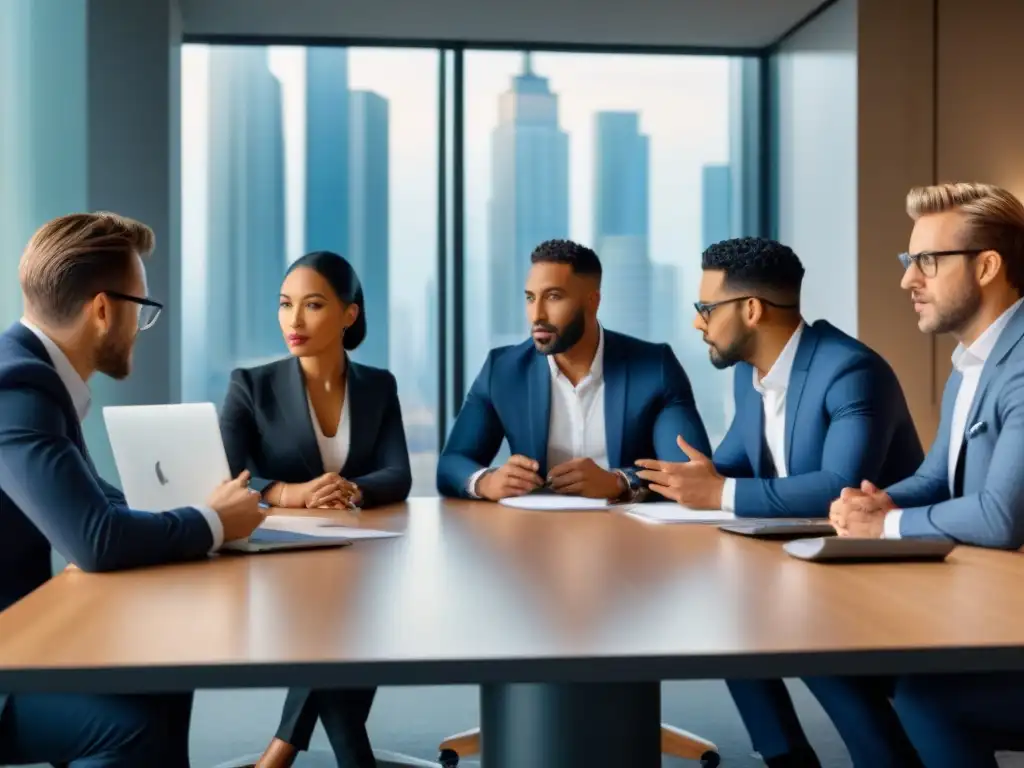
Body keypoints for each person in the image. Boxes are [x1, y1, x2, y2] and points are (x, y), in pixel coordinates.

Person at [634, 236, 924, 767]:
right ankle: (785, 756)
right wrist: (631, 483)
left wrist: (718, 492)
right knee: (729, 607)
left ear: (751, 309)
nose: (699, 323)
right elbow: (727, 466)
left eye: (705, 309)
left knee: (800, 631)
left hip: (879, 570)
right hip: (810, 560)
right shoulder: (753, 377)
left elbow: (839, 483)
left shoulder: (850, 371)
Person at [0, 212, 264, 767]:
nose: (142, 325)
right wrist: (212, 522)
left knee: (161, 674)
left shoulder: (29, 372)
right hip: (8, 665)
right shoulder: (18, 388)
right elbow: (95, 539)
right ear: (102, 309)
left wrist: (202, 508)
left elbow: (97, 501)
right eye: (141, 308)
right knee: (134, 724)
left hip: (22, 637)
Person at [831, 182, 1024, 767]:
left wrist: (885, 527)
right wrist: (876, 503)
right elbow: (939, 477)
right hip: (993, 605)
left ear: (987, 265)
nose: (908, 279)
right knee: (839, 658)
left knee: (928, 699)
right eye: (908, 260)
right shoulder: (973, 362)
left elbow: (999, 516)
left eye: (927, 262)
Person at [219, 250, 411, 768]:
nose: (294, 321)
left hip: (359, 552)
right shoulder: (251, 386)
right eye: (285, 305)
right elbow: (227, 475)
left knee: (348, 616)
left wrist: (351, 489)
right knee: (335, 626)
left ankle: (280, 752)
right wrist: (289, 492)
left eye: (313, 305)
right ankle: (334, 756)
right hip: (279, 558)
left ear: (349, 314)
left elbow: (399, 475)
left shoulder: (378, 386)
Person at [437, 238, 710, 502]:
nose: (537, 315)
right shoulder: (503, 370)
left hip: (629, 535)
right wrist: (486, 481)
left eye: (553, 297)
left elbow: (690, 473)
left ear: (593, 301)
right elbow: (451, 464)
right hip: (533, 533)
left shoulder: (654, 367)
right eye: (531, 298)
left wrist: (619, 482)